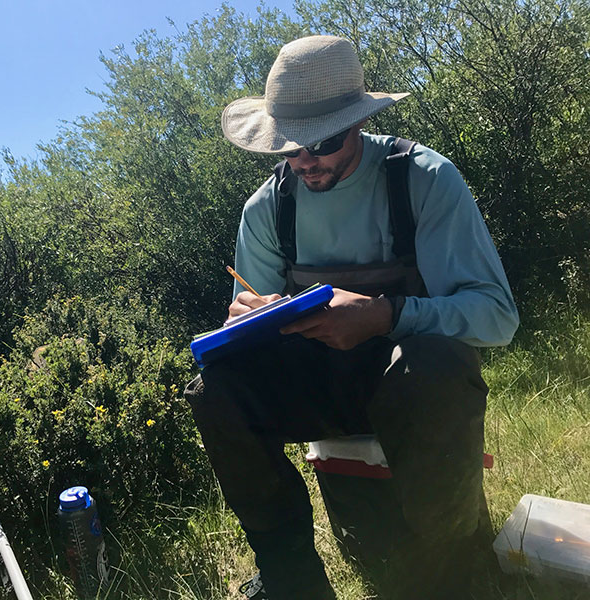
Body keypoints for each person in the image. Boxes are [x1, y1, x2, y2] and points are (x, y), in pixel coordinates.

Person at [183, 35, 519, 600]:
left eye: (322, 142)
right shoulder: (267, 210)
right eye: (288, 148)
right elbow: (246, 340)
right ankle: (292, 580)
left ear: (358, 123)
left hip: (410, 381)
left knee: (434, 367)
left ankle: (452, 576)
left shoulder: (424, 180)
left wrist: (385, 315)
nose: (305, 161)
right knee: (215, 388)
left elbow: (497, 318)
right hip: (318, 384)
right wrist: (243, 321)